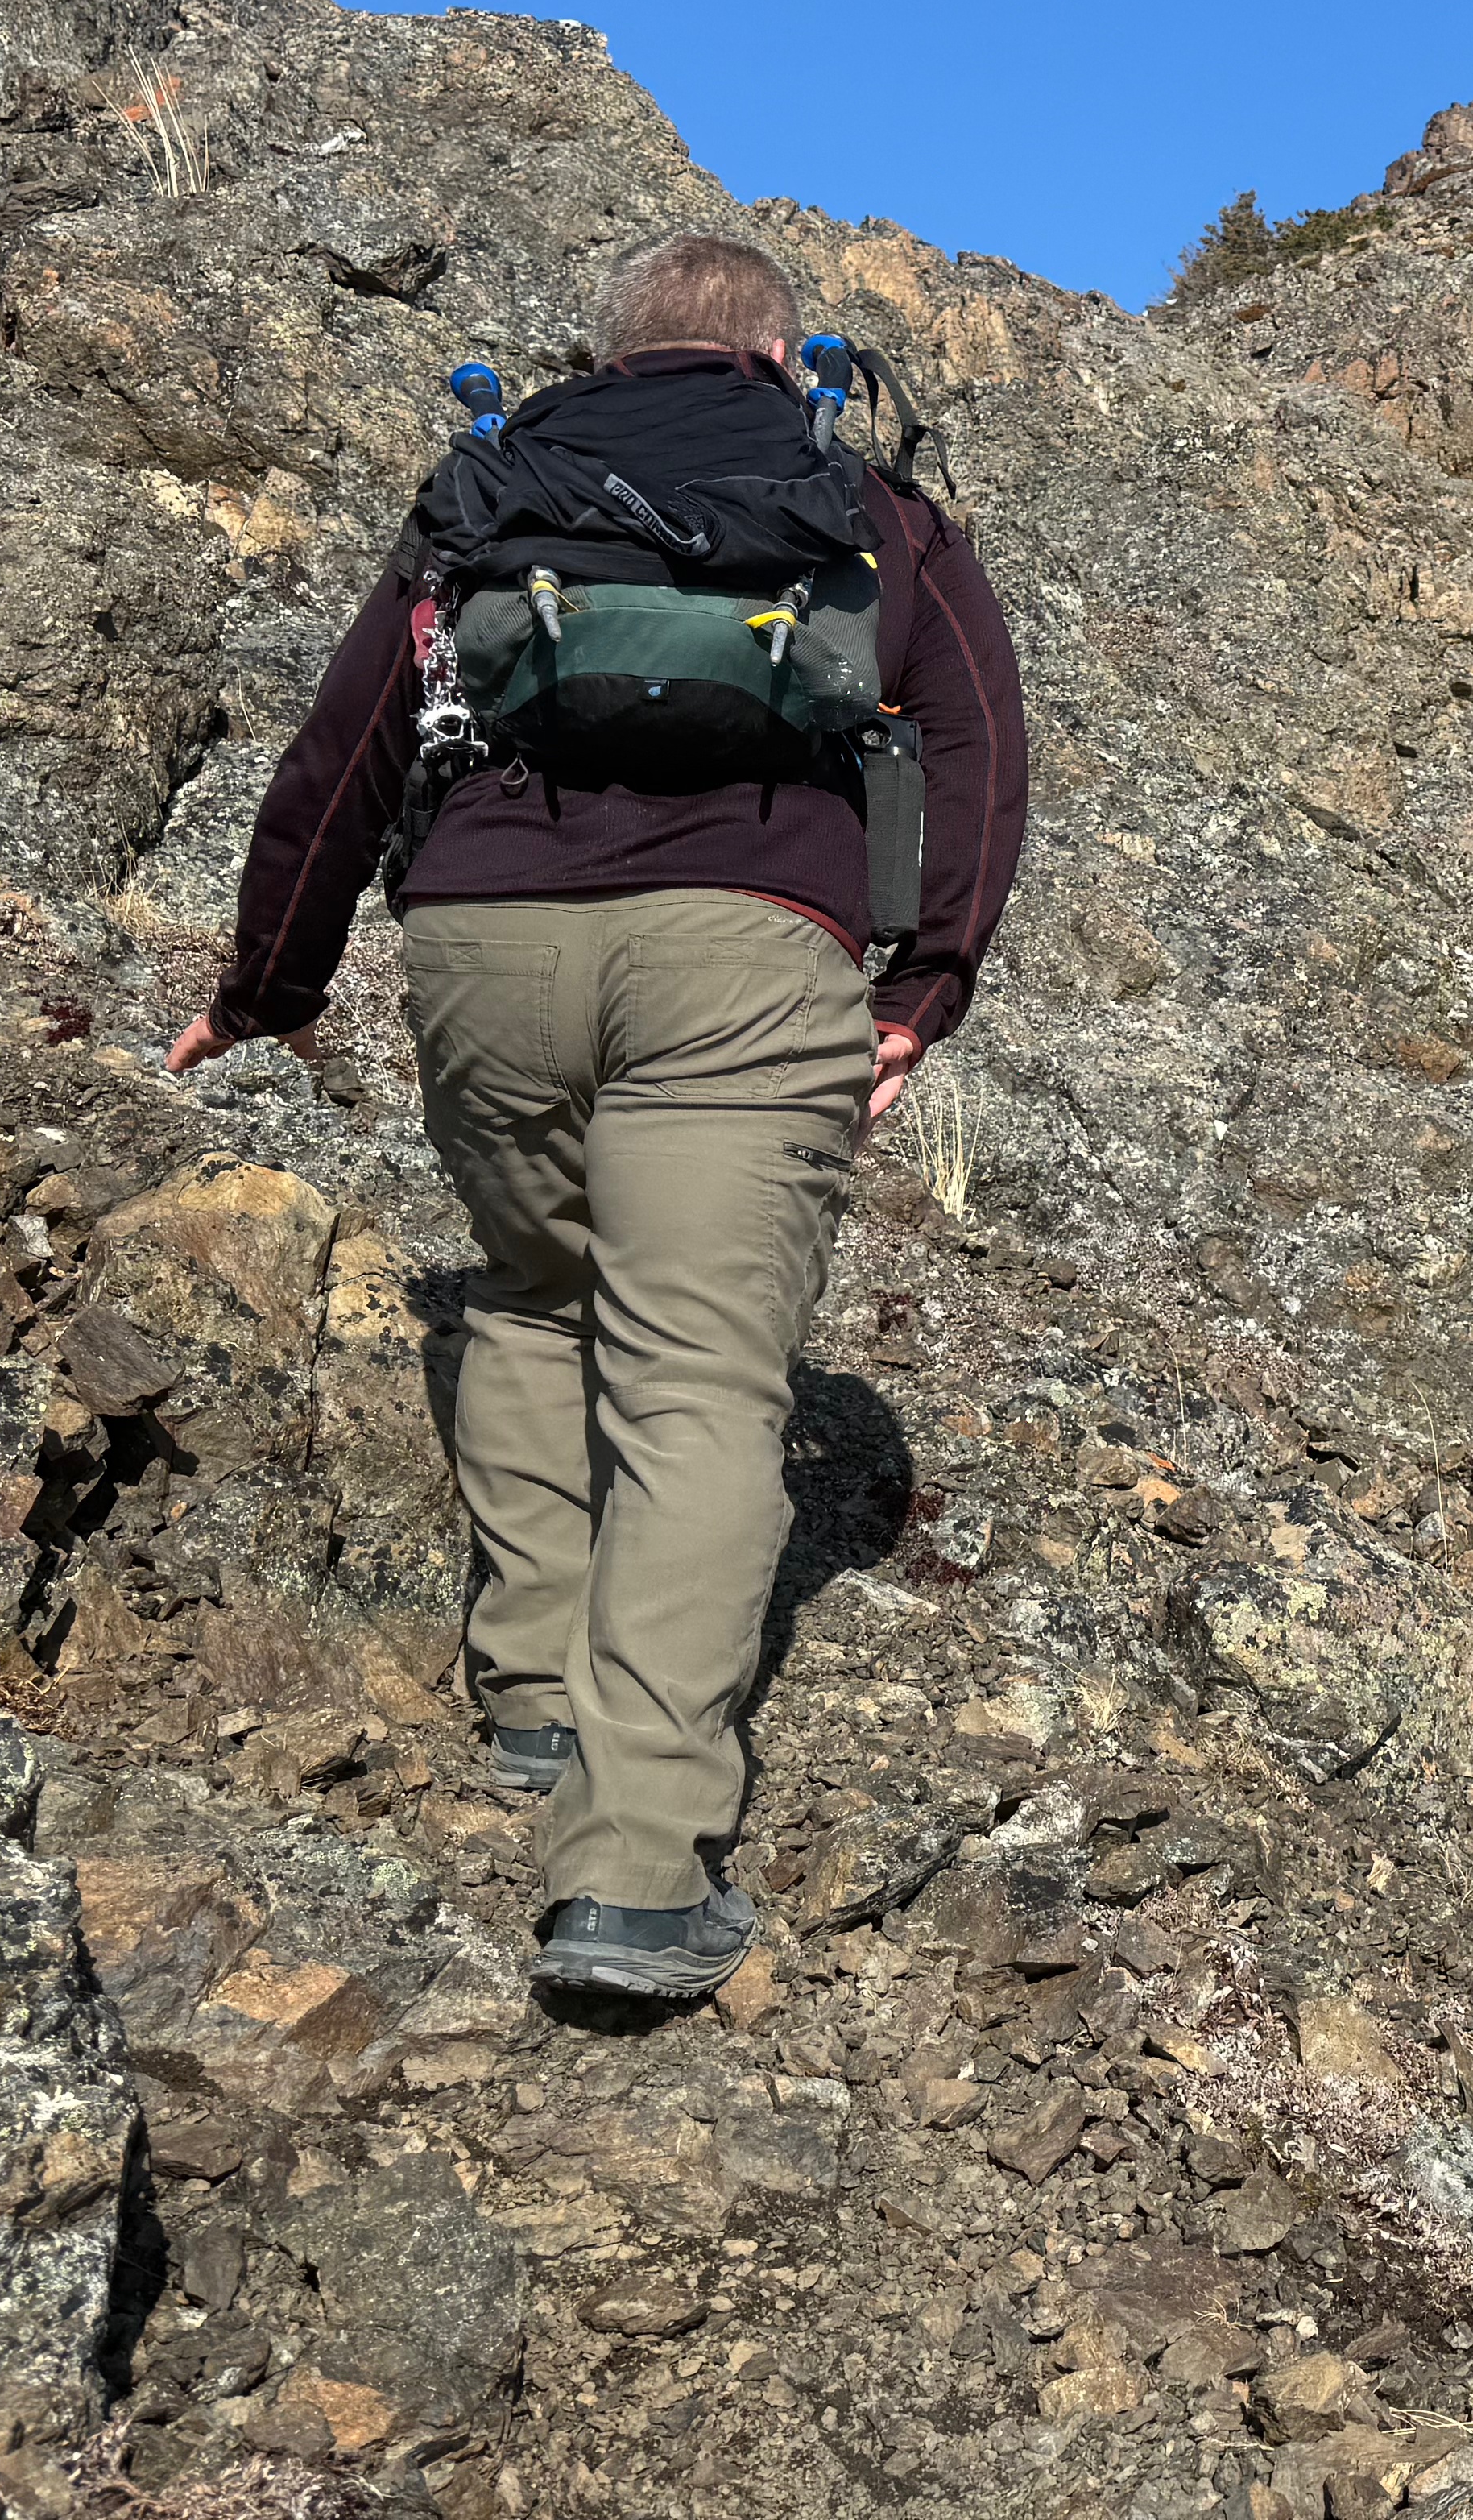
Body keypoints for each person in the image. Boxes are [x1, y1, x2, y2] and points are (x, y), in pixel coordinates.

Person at [167, 231, 1027, 2000]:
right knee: (702, 1383)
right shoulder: (858, 502)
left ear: (605, 349)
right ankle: (633, 1874)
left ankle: (539, 1701)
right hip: (747, 949)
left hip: (487, 943)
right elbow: (976, 746)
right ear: (789, 355)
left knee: (533, 1289)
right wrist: (923, 985)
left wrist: (268, 986)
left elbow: (349, 750)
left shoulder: (493, 487)